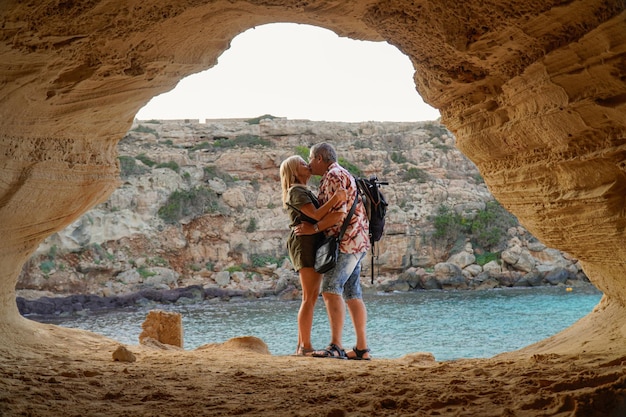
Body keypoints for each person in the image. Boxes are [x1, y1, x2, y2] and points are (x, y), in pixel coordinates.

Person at [295, 143, 372, 360]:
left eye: (310, 159)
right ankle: (361, 349)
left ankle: (336, 346)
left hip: (346, 242)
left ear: (320, 158)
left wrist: (314, 228)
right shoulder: (342, 173)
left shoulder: (334, 175)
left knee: (330, 289)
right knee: (352, 293)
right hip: (358, 241)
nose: (309, 164)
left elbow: (339, 215)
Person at [280, 155, 347, 356]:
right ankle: (305, 347)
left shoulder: (302, 191)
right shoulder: (296, 191)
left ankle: (301, 346)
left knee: (309, 297)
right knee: (309, 298)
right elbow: (316, 216)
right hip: (304, 244)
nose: (306, 164)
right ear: (294, 172)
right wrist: (337, 198)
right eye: (302, 163)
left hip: (309, 243)